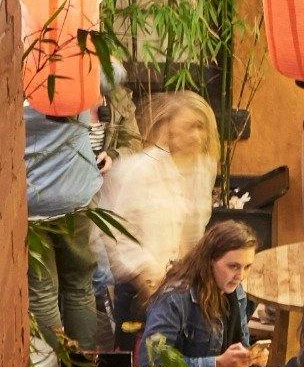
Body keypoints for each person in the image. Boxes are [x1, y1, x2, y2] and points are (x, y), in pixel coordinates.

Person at [95, 89, 221, 324]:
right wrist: (145, 276)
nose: (196, 135)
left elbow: (194, 231)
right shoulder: (137, 170)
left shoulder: (203, 169)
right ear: (168, 128)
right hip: (139, 288)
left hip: (180, 285)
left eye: (201, 127)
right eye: (189, 126)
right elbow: (112, 230)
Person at [24, 104, 106, 358]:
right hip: (75, 196)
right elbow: (111, 74)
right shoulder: (73, 71)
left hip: (31, 200)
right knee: (80, 286)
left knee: (43, 293)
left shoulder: (15, 83)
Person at [137, 219, 257, 367]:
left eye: (247, 266)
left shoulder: (237, 292)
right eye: (233, 266)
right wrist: (217, 364)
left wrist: (251, 358)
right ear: (210, 261)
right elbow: (152, 363)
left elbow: (241, 345)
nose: (241, 276)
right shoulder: (174, 298)